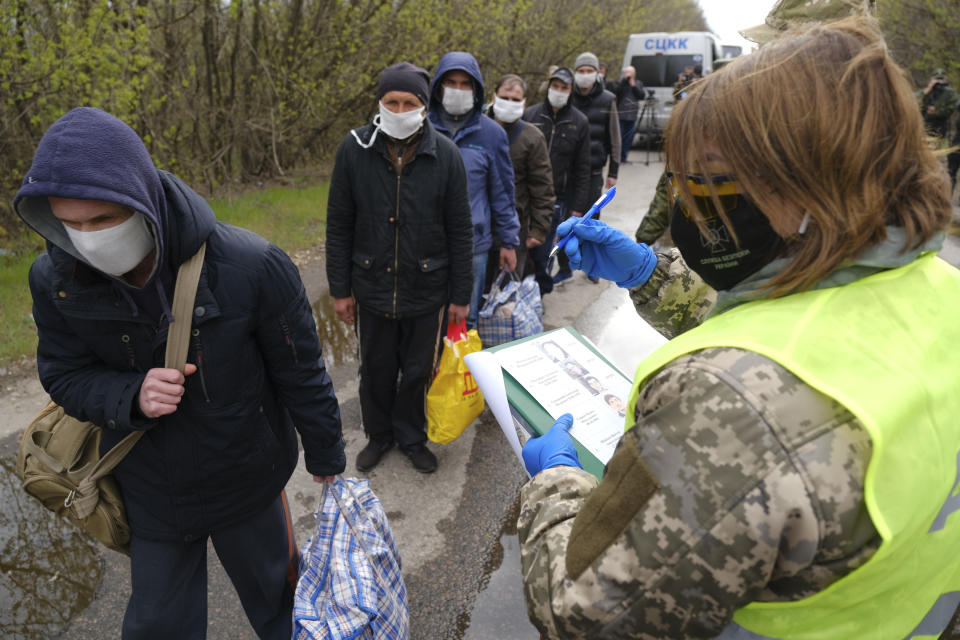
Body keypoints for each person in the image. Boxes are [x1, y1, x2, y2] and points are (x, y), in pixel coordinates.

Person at [518, 17, 960, 639]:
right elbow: (807, 342)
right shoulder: (941, 292)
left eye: (712, 180)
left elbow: (586, 614)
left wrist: (555, 483)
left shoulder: (727, 407)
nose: (690, 205)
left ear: (809, 180)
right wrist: (651, 273)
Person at [15, 107, 347, 639]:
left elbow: (301, 371)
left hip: (248, 480)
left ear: (139, 198)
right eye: (69, 224)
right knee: (158, 625)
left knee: (280, 605)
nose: (88, 239)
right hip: (152, 492)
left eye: (102, 220)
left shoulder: (252, 265)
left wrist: (327, 455)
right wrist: (130, 395)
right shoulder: (54, 277)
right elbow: (64, 373)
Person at [326, 62, 473, 474]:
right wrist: (340, 288)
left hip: (426, 287)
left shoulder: (445, 154)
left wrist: (461, 295)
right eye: (393, 100)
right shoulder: (354, 149)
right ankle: (379, 435)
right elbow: (338, 224)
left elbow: (461, 230)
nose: (400, 108)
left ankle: (410, 435)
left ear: (424, 107)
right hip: (371, 284)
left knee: (415, 371)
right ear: (380, 102)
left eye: (410, 102)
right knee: (375, 367)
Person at [427, 51, 521, 328]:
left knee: (464, 318)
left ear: (477, 89)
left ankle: (460, 371)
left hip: (474, 246)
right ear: (438, 87)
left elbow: (503, 192)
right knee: (427, 317)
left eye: (465, 84)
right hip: (426, 245)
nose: (458, 90)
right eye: (451, 82)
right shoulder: (421, 129)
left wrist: (508, 241)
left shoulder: (491, 134)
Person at [523, 67, 591, 294]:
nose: (559, 91)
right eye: (555, 86)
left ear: (571, 90)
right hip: (526, 197)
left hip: (559, 200)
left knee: (545, 255)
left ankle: (537, 296)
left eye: (564, 87)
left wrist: (578, 207)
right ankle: (518, 296)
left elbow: (583, 168)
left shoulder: (579, 122)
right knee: (522, 251)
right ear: (548, 86)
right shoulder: (530, 115)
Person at [485, 74, 556, 284]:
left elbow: (543, 188)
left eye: (516, 100)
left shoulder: (532, 137)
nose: (510, 104)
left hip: (514, 229)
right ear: (494, 96)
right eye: (505, 97)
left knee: (505, 298)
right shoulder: (476, 129)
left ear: (524, 102)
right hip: (477, 227)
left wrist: (539, 230)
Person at [613, 66, 645, 164]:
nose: (628, 74)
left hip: (632, 116)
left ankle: (623, 158)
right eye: (626, 72)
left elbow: (641, 95)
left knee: (629, 138)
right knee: (619, 138)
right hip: (621, 115)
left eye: (630, 72)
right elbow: (616, 92)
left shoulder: (638, 83)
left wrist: (633, 85)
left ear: (634, 74)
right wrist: (624, 81)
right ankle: (617, 158)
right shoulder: (621, 83)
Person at [920, 68, 958, 139]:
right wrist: (928, 89)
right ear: (932, 79)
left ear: (946, 79)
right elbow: (916, 101)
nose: (939, 81)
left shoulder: (950, 93)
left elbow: (952, 108)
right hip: (925, 123)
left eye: (941, 79)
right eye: (937, 79)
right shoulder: (928, 90)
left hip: (940, 125)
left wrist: (936, 111)